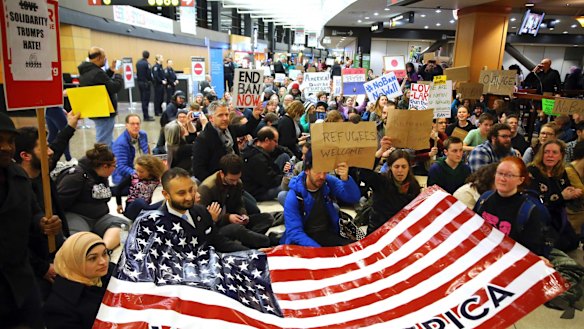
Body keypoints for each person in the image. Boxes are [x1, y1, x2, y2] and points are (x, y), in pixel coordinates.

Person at [0, 113, 61, 328]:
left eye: (10, 141)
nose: (6, 147)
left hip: (22, 279)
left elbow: (33, 212)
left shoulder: (17, 176)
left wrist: (43, 223)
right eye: (0, 141)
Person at [474, 157, 555, 257]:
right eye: (500, 173)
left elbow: (532, 250)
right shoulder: (485, 198)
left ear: (521, 180)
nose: (502, 179)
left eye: (509, 175)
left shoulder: (528, 210)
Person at [57, 144, 130, 250]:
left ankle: (104, 249)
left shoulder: (102, 176)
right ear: (105, 166)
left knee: (123, 225)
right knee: (79, 239)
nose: (115, 169)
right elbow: (59, 203)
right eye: (114, 166)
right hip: (77, 216)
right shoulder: (76, 176)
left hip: (99, 217)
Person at [281, 151, 360, 247]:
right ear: (307, 170)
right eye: (318, 172)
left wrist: (345, 178)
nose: (322, 176)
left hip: (326, 233)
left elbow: (353, 197)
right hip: (305, 238)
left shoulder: (327, 182)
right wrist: (320, 251)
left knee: (355, 249)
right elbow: (295, 233)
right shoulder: (294, 196)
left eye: (325, 172)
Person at [198, 154, 275, 249]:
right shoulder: (207, 189)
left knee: (267, 218)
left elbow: (240, 203)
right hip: (218, 227)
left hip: (235, 221)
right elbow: (202, 219)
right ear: (222, 174)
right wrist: (228, 218)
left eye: (237, 179)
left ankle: (249, 240)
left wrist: (243, 214)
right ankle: (267, 241)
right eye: (231, 180)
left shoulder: (238, 183)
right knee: (237, 229)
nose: (235, 183)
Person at [44, 232, 112, 329]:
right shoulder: (59, 308)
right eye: (93, 258)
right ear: (75, 262)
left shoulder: (109, 275)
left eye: (105, 253)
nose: (103, 262)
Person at [527, 140, 582, 252]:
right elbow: (535, 201)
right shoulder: (532, 171)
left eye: (554, 152)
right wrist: (561, 196)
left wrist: (572, 193)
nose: (550, 155)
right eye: (546, 152)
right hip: (540, 218)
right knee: (558, 246)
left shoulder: (561, 172)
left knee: (573, 242)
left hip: (559, 216)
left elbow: (566, 191)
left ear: (561, 156)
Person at [359, 138, 422, 235]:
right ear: (390, 167)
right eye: (396, 167)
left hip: (401, 231)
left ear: (409, 168)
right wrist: (380, 152)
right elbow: (364, 173)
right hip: (379, 230)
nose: (400, 170)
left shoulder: (414, 186)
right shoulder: (381, 181)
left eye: (404, 167)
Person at [192, 101, 262, 182]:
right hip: (218, 183)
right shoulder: (203, 139)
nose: (225, 118)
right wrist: (218, 182)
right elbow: (199, 170)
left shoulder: (230, 129)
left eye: (226, 114)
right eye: (220, 115)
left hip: (237, 175)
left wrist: (255, 115)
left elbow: (245, 129)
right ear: (211, 118)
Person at [77, 46, 123, 146]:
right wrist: (118, 75)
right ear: (98, 58)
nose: (105, 59)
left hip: (96, 110)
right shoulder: (97, 73)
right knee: (104, 142)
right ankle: (104, 160)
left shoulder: (86, 72)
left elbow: (101, 83)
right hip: (105, 112)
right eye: (104, 57)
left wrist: (110, 71)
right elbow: (114, 87)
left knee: (105, 138)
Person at [241, 127, 291, 201]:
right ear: (267, 140)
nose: (276, 144)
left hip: (265, 180)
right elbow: (270, 181)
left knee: (284, 156)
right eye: (275, 141)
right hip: (259, 192)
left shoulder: (255, 148)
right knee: (289, 187)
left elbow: (280, 150)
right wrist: (285, 178)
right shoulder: (257, 159)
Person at [115, 155, 166, 221]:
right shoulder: (133, 177)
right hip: (132, 208)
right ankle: (151, 212)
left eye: (141, 172)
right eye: (137, 170)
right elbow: (118, 188)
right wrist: (119, 204)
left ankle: (150, 213)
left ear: (150, 171)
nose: (138, 174)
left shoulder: (155, 180)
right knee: (140, 201)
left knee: (167, 201)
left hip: (145, 209)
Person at [111, 114, 150, 185]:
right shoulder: (121, 143)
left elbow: (147, 155)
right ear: (126, 125)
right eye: (132, 124)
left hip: (141, 170)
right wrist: (139, 174)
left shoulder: (143, 135)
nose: (136, 126)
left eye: (137, 124)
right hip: (124, 178)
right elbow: (121, 167)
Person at [136, 50, 154, 121]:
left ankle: (145, 115)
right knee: (146, 100)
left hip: (139, 83)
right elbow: (149, 74)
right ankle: (146, 116)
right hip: (146, 83)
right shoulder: (147, 64)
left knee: (142, 99)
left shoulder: (138, 63)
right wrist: (152, 81)